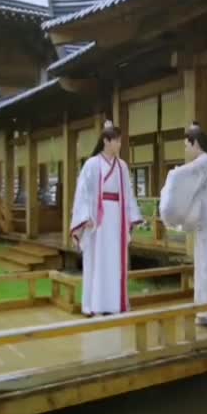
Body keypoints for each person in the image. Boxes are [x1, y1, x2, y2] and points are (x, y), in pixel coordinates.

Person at [160, 122, 207, 327]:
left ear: (195, 143)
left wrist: (171, 175)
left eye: (187, 145)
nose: (186, 150)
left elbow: (182, 176)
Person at [70, 121, 142, 317]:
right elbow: (83, 192)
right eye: (116, 141)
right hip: (97, 219)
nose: (119, 144)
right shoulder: (92, 164)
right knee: (96, 260)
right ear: (106, 141)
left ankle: (114, 304)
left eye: (120, 141)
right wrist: (85, 216)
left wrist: (131, 218)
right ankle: (94, 305)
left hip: (117, 217)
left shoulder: (122, 166)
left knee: (114, 260)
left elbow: (128, 193)